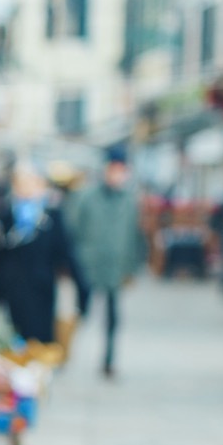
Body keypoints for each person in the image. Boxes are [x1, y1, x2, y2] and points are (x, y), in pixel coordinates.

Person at [63, 149, 147, 377]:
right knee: (82, 312)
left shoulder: (129, 201)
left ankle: (108, 359)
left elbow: (134, 236)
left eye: (122, 171)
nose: (117, 176)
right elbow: (72, 229)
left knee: (112, 316)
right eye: (114, 170)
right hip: (88, 265)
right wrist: (74, 262)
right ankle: (65, 352)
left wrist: (131, 269)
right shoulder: (86, 197)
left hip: (115, 267)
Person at [0, 165, 82, 347]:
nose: (26, 189)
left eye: (31, 183)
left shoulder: (51, 216)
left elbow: (65, 252)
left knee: (41, 341)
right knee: (14, 341)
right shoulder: (5, 215)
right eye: (21, 184)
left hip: (42, 289)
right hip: (13, 289)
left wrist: (81, 288)